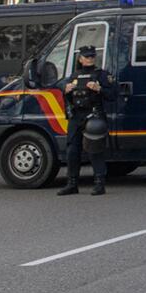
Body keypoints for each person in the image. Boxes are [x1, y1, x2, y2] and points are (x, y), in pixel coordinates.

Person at [58, 46, 111, 196]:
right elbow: (63, 89)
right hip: (76, 116)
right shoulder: (74, 76)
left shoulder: (101, 75)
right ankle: (72, 183)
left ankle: (99, 183)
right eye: (87, 57)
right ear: (80, 59)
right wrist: (66, 89)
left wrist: (99, 89)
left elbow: (113, 94)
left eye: (92, 57)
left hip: (93, 115)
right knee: (72, 150)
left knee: (95, 150)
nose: (90, 59)